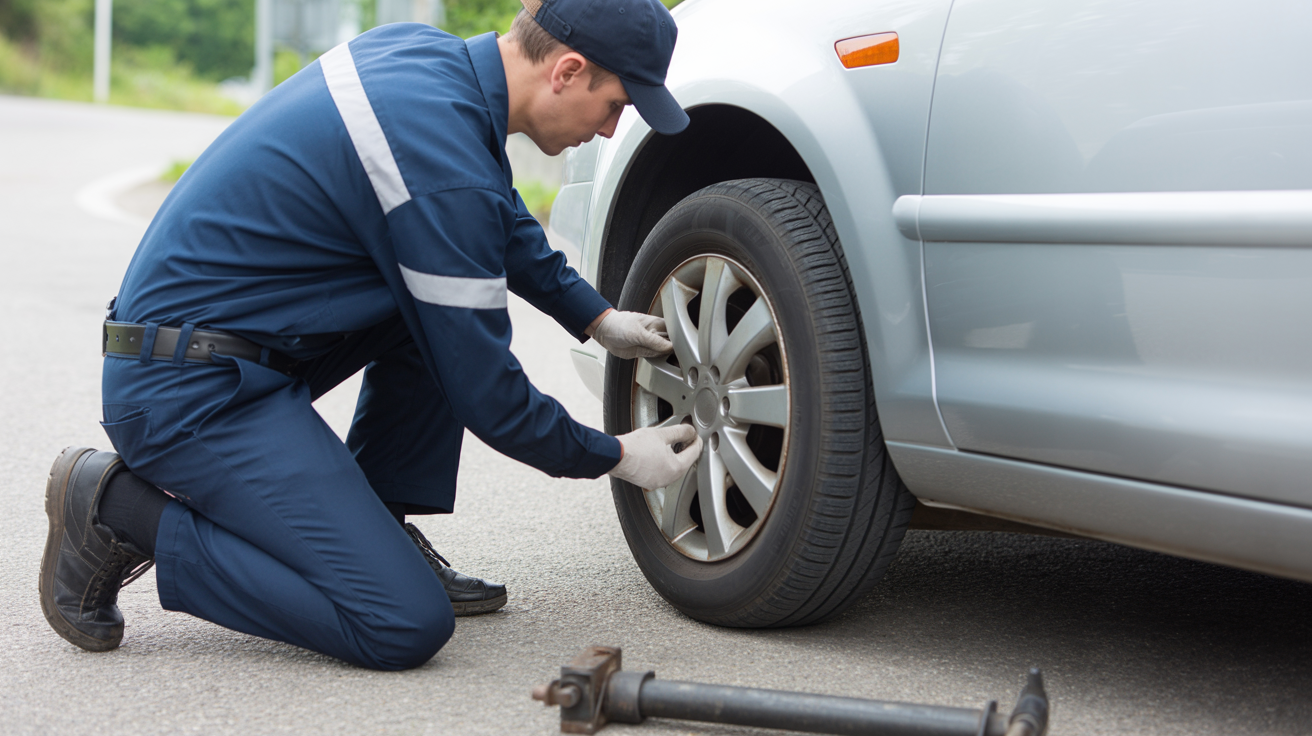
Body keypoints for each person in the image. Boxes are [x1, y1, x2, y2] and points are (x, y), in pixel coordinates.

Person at [39, 0, 701, 671]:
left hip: (222, 347)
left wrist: (596, 317)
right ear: (567, 70)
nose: (612, 126)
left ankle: (373, 531)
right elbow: (488, 394)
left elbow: (495, 214)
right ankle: (115, 507)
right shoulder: (440, 162)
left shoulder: (424, 61)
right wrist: (615, 455)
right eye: (617, 103)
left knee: (431, 306)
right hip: (185, 393)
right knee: (399, 622)